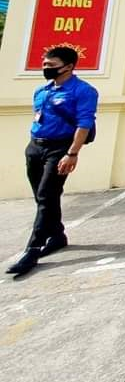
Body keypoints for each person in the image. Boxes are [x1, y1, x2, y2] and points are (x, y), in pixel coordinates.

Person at [7, 46, 98, 277]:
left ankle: (33, 249)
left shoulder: (83, 91)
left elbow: (84, 123)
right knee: (43, 196)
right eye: (45, 64)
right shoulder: (42, 90)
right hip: (36, 146)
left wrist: (72, 153)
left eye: (51, 65)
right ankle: (57, 235)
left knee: (47, 195)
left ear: (68, 66)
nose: (46, 68)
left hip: (61, 148)